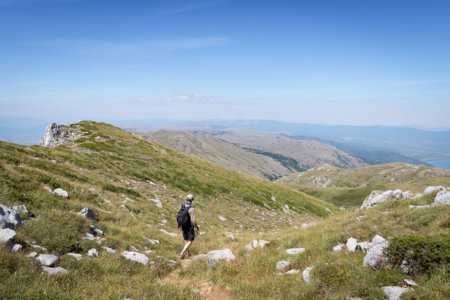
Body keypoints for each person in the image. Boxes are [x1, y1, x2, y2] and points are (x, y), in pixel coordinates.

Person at [178, 194, 199, 259]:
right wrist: (196, 226)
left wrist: (178, 224)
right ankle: (181, 253)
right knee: (191, 239)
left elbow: (179, 215)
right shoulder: (191, 209)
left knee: (186, 239)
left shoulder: (181, 206)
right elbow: (193, 220)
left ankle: (188, 253)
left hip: (183, 226)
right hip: (189, 227)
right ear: (192, 200)